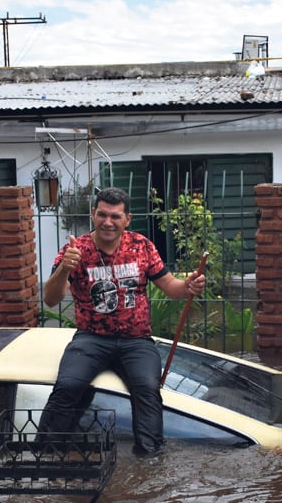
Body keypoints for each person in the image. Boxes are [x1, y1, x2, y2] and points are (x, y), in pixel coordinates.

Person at [40, 186, 206, 456]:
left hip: (136, 340)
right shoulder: (75, 250)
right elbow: (50, 299)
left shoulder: (141, 246)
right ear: (93, 214)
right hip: (91, 338)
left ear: (127, 219)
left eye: (115, 216)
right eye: (102, 214)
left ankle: (149, 458)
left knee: (148, 391)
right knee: (68, 386)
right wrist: (64, 269)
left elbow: (171, 287)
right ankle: (46, 452)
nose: (108, 222)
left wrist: (187, 286)